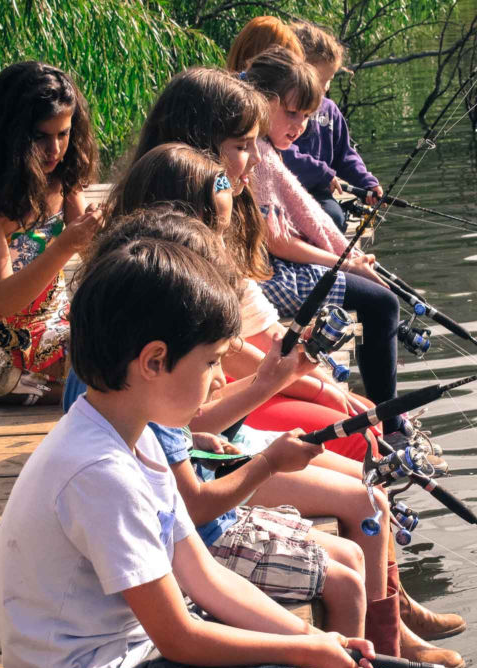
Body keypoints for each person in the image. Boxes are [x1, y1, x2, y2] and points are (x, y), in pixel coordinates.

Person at [0, 229, 405, 668]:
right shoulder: (101, 473)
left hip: (125, 657)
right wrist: (308, 649)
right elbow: (181, 637)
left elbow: (205, 576)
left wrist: (315, 639)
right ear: (154, 361)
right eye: (211, 363)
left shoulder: (133, 433)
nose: (216, 385)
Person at [129, 67, 389, 463]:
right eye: (242, 146)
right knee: (361, 437)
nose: (255, 161)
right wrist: (316, 386)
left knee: (366, 419)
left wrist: (319, 381)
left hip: (233, 384)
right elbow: (226, 352)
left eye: (257, 144)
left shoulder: (222, 211)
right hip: (202, 402)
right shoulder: (168, 245)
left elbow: (260, 324)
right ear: (197, 147)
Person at [242, 46, 441, 460]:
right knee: (383, 303)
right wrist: (345, 261)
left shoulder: (263, 147)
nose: (300, 126)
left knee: (378, 295)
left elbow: (305, 210)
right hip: (264, 273)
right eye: (292, 113)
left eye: (306, 116)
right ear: (265, 103)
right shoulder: (255, 153)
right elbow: (277, 241)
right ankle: (387, 421)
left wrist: (348, 254)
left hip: (270, 266)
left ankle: (386, 416)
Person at [0, 61, 102, 405]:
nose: (55, 149)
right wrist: (64, 245)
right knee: (115, 373)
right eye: (41, 137)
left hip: (62, 319)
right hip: (12, 339)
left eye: (63, 134)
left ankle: (37, 389)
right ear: (10, 135)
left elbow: (94, 257)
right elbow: (4, 300)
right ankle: (29, 384)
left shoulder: (63, 177)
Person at [287, 20, 383, 232]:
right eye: (320, 79)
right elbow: (282, 152)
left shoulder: (329, 110)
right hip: (285, 190)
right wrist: (322, 173)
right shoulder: (283, 109)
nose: (326, 87)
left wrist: (367, 183)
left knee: (333, 218)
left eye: (329, 79)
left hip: (318, 192)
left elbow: (344, 155)